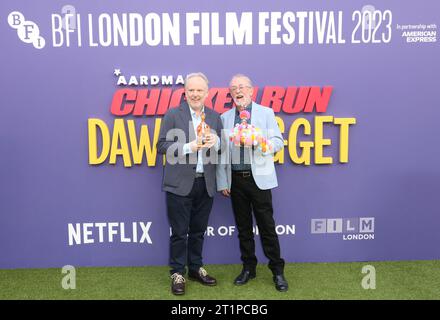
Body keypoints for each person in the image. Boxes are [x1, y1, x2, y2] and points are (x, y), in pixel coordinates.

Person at [216, 74, 288, 292]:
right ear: (231, 94)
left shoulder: (265, 113)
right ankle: (249, 268)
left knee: (267, 227)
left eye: (242, 87)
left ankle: (277, 271)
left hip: (260, 180)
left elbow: (278, 142)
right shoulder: (225, 117)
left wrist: (260, 142)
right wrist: (222, 181)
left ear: (251, 91)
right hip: (236, 181)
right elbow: (221, 154)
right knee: (244, 228)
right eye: (233, 88)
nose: (238, 91)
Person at [157, 72, 223, 295]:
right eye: (191, 90)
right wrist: (188, 147)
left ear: (207, 93)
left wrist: (218, 141)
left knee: (198, 231)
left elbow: (221, 150)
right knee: (179, 232)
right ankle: (177, 272)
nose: (195, 94)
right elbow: (162, 145)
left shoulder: (215, 117)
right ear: (185, 92)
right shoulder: (173, 114)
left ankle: (195, 268)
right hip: (179, 184)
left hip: (205, 184)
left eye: (199, 90)